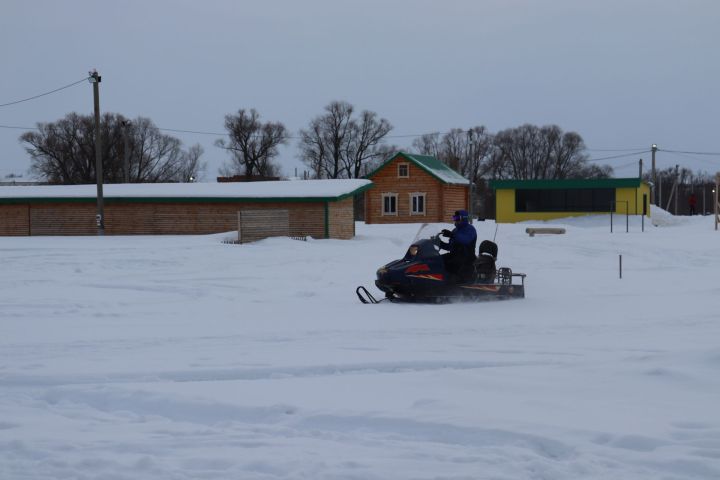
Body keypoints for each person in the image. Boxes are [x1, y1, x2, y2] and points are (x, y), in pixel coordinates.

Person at [437, 209, 477, 282]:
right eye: (454, 218)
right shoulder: (455, 230)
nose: (455, 220)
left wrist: (452, 235)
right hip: (454, 255)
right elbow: (450, 247)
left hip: (466, 258)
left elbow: (465, 240)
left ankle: (449, 283)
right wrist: (439, 243)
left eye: (457, 218)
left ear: (463, 218)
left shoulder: (470, 229)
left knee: (450, 264)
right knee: (436, 260)